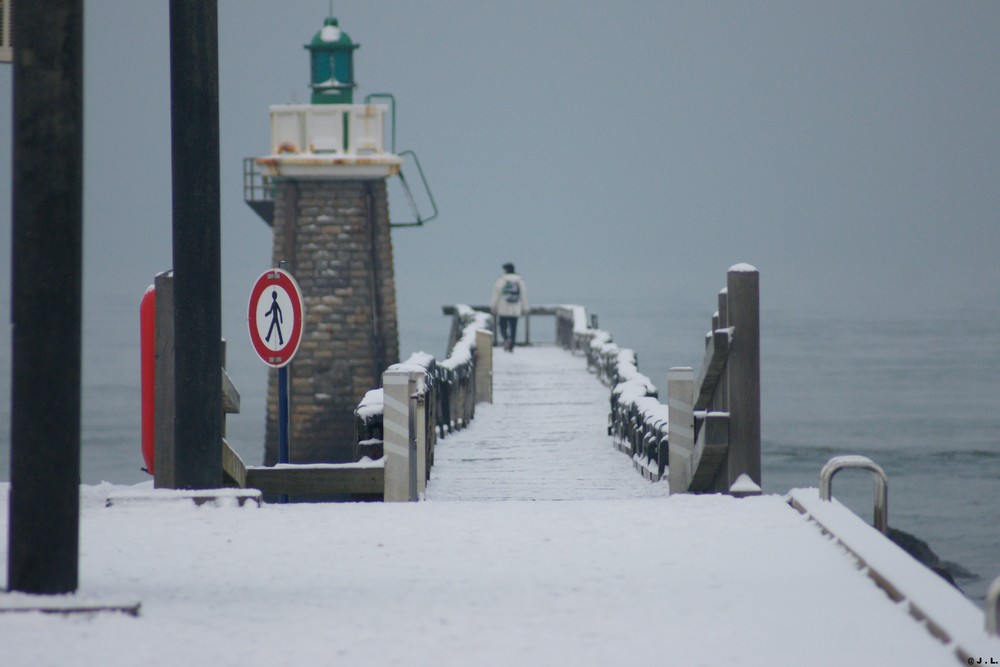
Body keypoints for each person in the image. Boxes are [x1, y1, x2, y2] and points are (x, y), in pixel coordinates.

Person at [491, 262, 528, 352]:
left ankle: (506, 339)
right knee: (513, 327)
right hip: (515, 308)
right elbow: (523, 295)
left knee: (502, 326)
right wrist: (525, 308)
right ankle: (511, 345)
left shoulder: (501, 280)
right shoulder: (520, 280)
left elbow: (496, 294)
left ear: (505, 270)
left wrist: (493, 306)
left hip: (503, 308)